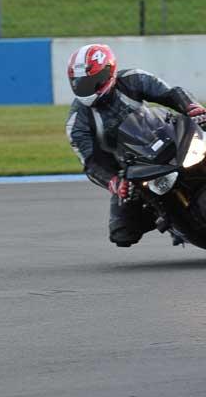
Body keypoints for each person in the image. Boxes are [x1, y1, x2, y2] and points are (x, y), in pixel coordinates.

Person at [65, 43, 206, 247]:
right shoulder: (77, 122)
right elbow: (91, 163)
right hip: (131, 169)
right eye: (80, 83)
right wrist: (114, 182)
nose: (86, 88)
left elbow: (171, 94)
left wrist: (192, 108)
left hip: (165, 138)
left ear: (108, 72)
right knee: (122, 234)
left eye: (92, 81)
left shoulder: (133, 78)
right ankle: (164, 216)